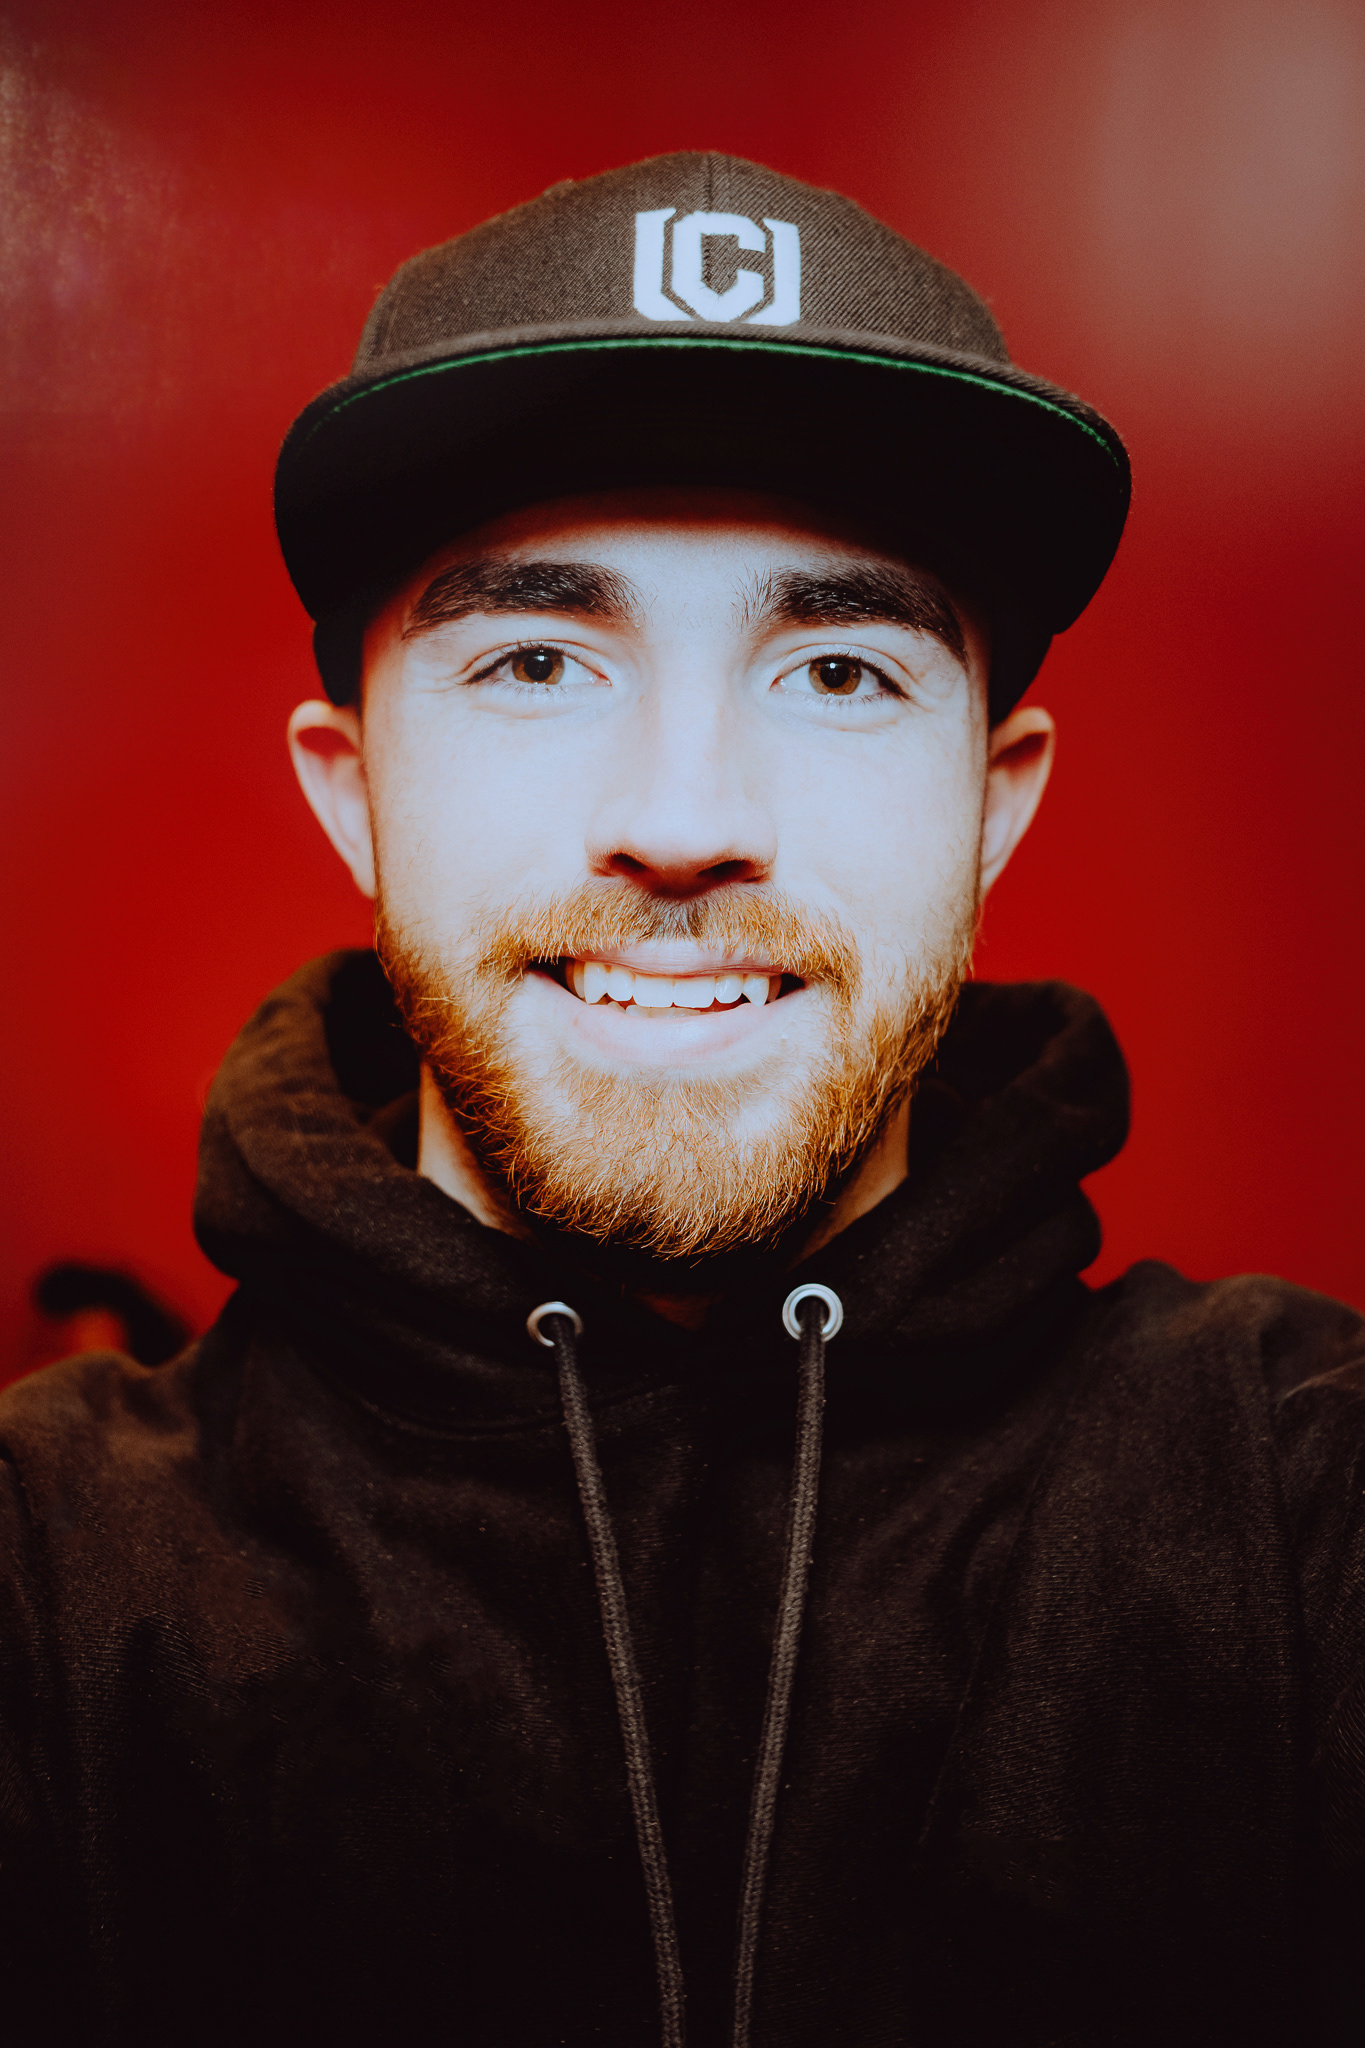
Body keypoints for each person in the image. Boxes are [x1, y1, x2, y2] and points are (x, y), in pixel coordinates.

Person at [0, 153, 1359, 2047]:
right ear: (350, 792)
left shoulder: (1301, 1502)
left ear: (995, 805)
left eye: (841, 670)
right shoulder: (43, 1571)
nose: (685, 816)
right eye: (537, 660)